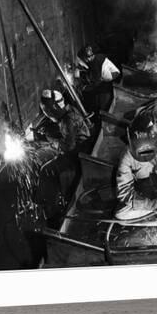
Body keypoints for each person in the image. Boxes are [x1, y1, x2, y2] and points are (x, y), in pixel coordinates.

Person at [37, 89, 91, 225]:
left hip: (79, 157)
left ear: (55, 107)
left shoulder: (68, 121)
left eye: (47, 110)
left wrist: (48, 140)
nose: (47, 114)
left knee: (46, 171)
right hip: (83, 149)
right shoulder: (69, 111)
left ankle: (53, 212)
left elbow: (68, 147)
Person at [77, 45, 120, 113]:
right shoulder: (98, 56)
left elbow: (96, 84)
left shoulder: (96, 64)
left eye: (83, 59)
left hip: (107, 87)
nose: (83, 61)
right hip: (110, 79)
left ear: (87, 58)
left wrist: (85, 88)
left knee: (100, 107)